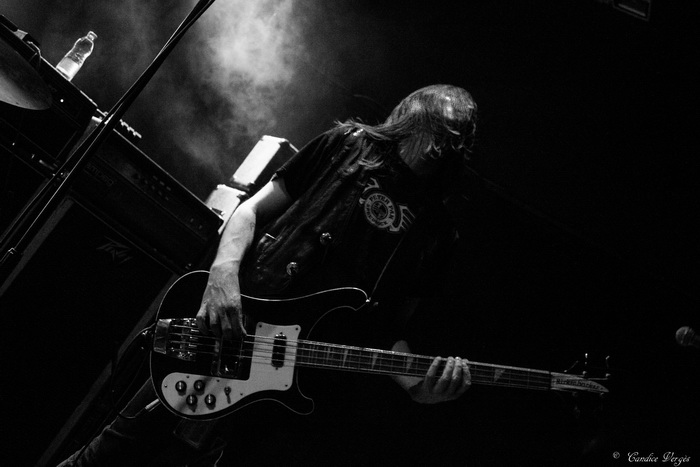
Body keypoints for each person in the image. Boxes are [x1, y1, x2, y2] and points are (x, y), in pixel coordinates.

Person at [58, 83, 477, 466]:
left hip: (298, 389)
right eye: (435, 130)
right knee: (112, 452)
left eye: (452, 139)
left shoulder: (438, 232)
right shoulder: (347, 145)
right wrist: (223, 275)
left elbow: (386, 332)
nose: (437, 148)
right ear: (410, 117)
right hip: (235, 332)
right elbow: (252, 210)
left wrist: (418, 386)